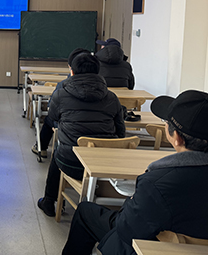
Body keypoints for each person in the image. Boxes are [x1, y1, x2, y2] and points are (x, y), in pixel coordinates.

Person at [62, 90, 208, 255]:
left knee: (85, 212)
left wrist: (132, 201)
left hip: (149, 248)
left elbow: (127, 229)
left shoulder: (156, 183)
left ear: (177, 138)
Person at [37, 52, 125, 217]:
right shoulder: (112, 97)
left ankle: (49, 201)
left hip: (72, 163)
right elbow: (121, 132)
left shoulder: (61, 94)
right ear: (98, 72)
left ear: (72, 71)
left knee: (59, 151)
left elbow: (53, 118)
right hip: (104, 164)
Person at [31, 48, 90, 158]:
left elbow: (52, 111)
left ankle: (41, 148)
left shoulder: (63, 87)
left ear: (71, 69)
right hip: (101, 143)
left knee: (49, 119)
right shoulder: (108, 94)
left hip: (69, 141)